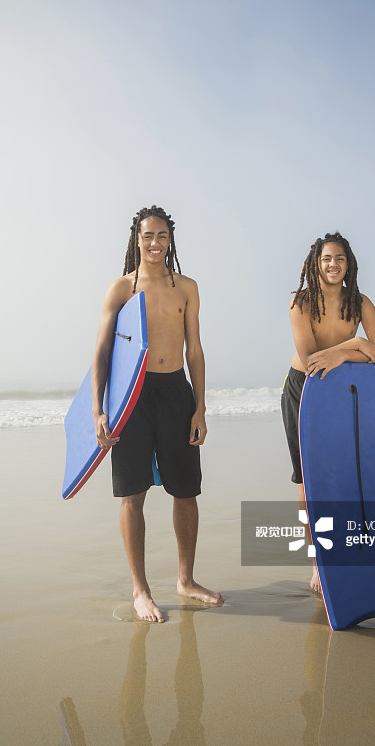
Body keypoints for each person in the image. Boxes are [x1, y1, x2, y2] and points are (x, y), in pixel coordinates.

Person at [91, 205, 223, 622]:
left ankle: (185, 580)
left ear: (171, 240)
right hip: (133, 395)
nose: (154, 243)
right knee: (133, 493)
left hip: (174, 391)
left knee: (186, 490)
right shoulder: (121, 290)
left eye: (161, 235)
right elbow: (102, 350)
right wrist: (99, 409)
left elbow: (195, 349)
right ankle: (141, 590)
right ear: (137, 239)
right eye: (147, 235)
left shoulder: (186, 287)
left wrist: (200, 406)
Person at [281, 232, 375, 592]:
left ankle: (345, 549)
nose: (334, 265)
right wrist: (358, 345)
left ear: (349, 264)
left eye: (340, 259)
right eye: (327, 258)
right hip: (304, 391)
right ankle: (317, 560)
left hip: (344, 393)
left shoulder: (359, 302)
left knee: (344, 475)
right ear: (317, 262)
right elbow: (314, 360)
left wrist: (347, 351)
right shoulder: (300, 302)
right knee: (307, 479)